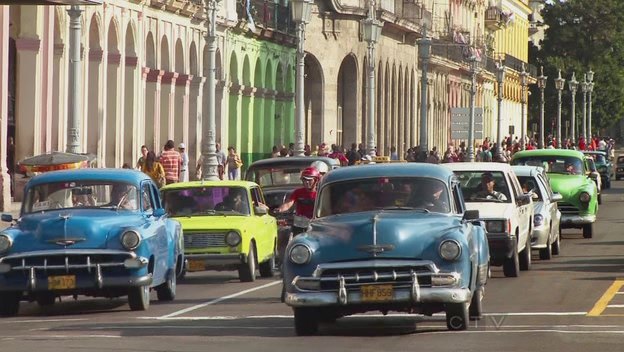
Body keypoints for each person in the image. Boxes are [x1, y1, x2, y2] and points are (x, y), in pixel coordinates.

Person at [275, 167, 320, 236]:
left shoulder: (320, 193)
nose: (307, 182)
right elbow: (288, 203)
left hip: (316, 225)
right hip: (300, 225)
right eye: (304, 179)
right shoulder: (298, 192)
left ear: (316, 180)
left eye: (310, 180)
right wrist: (280, 209)